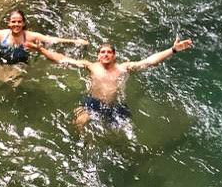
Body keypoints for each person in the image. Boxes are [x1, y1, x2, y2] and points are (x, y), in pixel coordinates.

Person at [31, 36, 194, 127]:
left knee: (123, 133)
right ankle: (83, 146)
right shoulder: (90, 66)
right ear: (98, 55)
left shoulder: (125, 68)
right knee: (80, 121)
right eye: (102, 52)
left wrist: (173, 50)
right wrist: (41, 50)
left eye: (109, 52)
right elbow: (61, 59)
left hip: (115, 105)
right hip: (93, 103)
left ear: (114, 55)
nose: (106, 54)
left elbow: (150, 61)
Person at [0, 9, 87, 80]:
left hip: (20, 63)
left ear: (23, 23)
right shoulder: (1, 34)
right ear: (9, 23)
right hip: (1, 61)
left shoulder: (31, 36)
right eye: (13, 22)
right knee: (2, 81)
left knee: (14, 84)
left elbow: (52, 39)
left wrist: (75, 42)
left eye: (19, 22)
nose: (16, 24)